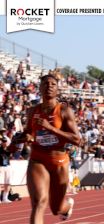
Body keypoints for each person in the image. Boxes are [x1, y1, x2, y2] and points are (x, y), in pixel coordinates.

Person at [9, 74, 81, 223]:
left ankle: (67, 207)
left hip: (59, 161)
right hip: (38, 158)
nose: (49, 86)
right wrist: (24, 137)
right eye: (46, 84)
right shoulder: (32, 111)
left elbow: (77, 140)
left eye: (53, 84)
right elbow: (29, 131)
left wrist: (51, 128)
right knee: (39, 202)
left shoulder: (64, 111)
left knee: (56, 209)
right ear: (40, 88)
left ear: (57, 89)